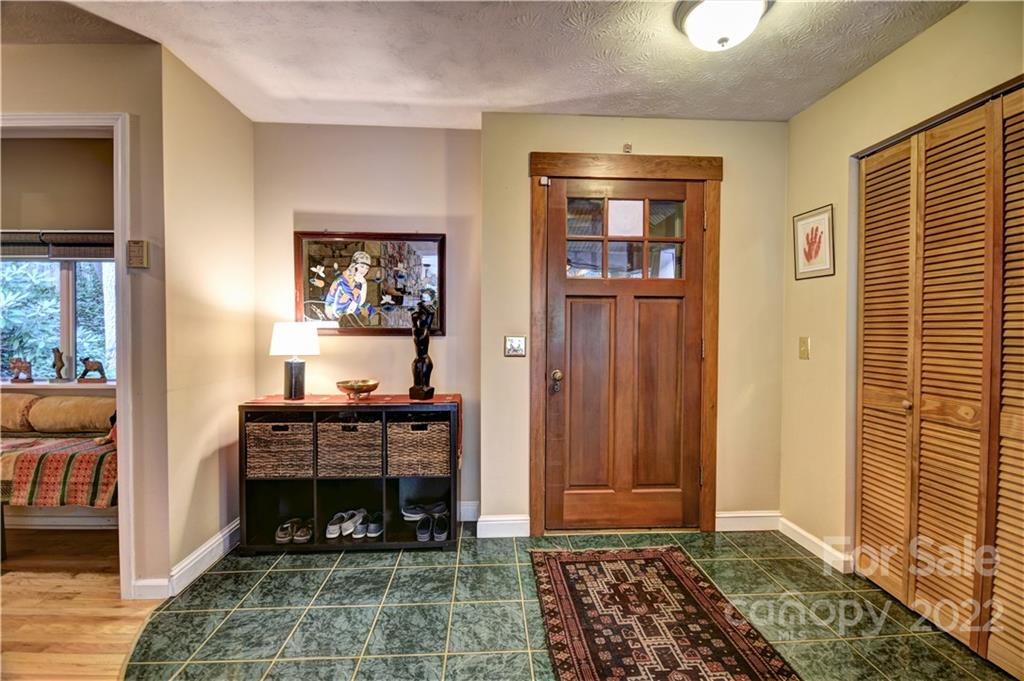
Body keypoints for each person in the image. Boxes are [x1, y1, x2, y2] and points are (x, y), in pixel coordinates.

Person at [324, 251, 376, 320]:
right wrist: (363, 283)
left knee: (369, 311)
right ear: (354, 265)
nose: (364, 270)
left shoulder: (357, 279)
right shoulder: (345, 279)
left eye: (367, 268)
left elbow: (359, 301)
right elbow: (358, 300)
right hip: (336, 310)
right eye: (362, 266)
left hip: (346, 309)